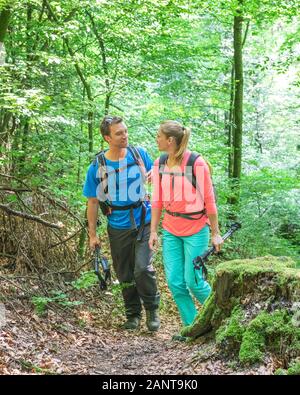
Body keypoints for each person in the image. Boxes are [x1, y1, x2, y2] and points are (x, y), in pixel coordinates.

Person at [83, 115, 160, 331]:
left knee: (143, 268)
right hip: (117, 225)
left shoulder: (138, 154)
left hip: (144, 220)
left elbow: (155, 173)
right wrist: (92, 235)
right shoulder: (98, 165)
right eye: (119, 133)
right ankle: (132, 314)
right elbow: (92, 201)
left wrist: (156, 172)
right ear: (107, 138)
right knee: (124, 273)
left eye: (125, 131)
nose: (125, 135)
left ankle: (152, 309)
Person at [149, 120, 223, 329]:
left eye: (159, 136)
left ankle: (221, 320)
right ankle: (192, 327)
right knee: (175, 282)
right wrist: (153, 231)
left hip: (196, 229)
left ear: (170, 140)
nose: (157, 139)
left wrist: (215, 233)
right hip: (171, 229)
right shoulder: (159, 163)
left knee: (194, 281)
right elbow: (157, 200)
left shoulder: (196, 163)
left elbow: (210, 201)